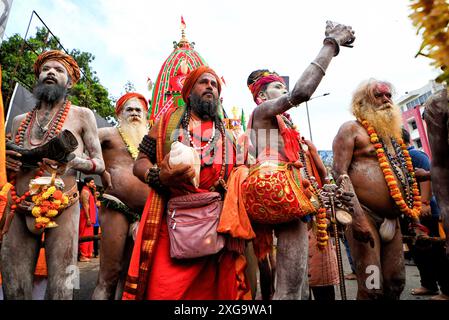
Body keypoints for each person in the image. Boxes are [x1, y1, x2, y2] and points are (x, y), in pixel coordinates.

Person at [244, 21, 355, 300]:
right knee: (291, 288)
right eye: (278, 87)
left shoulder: (285, 126)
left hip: (290, 192)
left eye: (284, 87)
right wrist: (331, 44)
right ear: (261, 96)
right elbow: (301, 93)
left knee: (298, 285)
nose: (284, 91)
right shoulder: (263, 113)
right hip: (279, 193)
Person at [122, 66, 250, 300]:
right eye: (203, 82)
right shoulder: (166, 124)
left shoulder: (229, 135)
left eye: (214, 84)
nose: (210, 86)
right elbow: (140, 162)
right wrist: (158, 177)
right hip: (171, 225)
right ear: (189, 91)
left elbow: (242, 172)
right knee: (163, 291)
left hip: (216, 228)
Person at [2, 50, 105, 299]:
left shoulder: (83, 115)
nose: (51, 72)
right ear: (38, 77)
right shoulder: (18, 121)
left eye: (59, 70)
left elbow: (99, 164)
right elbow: (8, 167)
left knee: (64, 287)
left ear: (69, 82)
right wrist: (8, 162)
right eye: (46, 69)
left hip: (64, 206)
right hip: (21, 205)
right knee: (14, 286)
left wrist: (71, 160)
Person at [332, 79, 427, 299]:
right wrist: (357, 218)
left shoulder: (391, 136)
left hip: (393, 220)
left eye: (389, 96)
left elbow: (399, 172)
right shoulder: (351, 129)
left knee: (395, 282)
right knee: (372, 285)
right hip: (365, 216)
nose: (386, 100)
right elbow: (339, 173)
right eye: (379, 96)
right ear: (363, 102)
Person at [92, 92, 152, 300]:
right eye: (130, 109)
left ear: (145, 115)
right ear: (119, 113)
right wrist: (99, 170)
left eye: (139, 110)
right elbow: (79, 143)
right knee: (110, 274)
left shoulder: (152, 137)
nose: (134, 113)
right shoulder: (108, 133)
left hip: (147, 211)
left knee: (134, 276)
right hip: (116, 205)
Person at [402, 129, 449, 300]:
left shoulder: (415, 154)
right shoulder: (399, 158)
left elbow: (427, 177)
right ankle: (428, 285)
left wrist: (424, 202)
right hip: (412, 212)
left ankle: (446, 290)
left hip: (427, 211)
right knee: (419, 251)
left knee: (436, 251)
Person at [79, 177, 97, 262]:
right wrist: (88, 218)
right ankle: (83, 255)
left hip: (89, 216)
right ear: (87, 183)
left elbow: (95, 202)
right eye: (92, 182)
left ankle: (88, 254)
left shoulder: (89, 191)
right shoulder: (85, 192)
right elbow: (86, 206)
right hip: (85, 216)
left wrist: (94, 190)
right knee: (84, 235)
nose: (93, 184)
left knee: (89, 235)